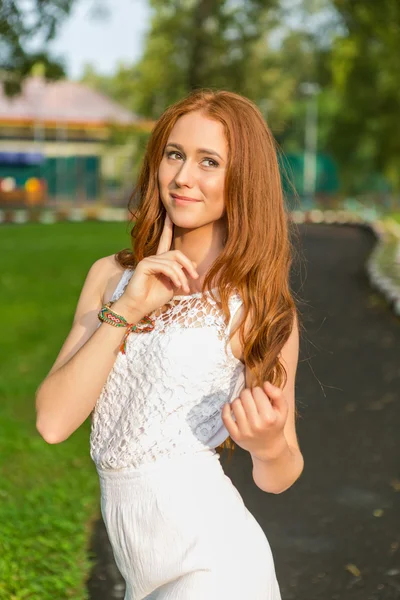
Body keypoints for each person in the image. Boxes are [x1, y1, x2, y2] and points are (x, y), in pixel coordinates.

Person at [35, 89, 304, 600]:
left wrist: (267, 444)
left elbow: (281, 474)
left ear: (243, 179)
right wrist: (129, 309)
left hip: (216, 565)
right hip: (141, 571)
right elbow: (52, 422)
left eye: (210, 162)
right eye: (175, 154)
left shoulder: (260, 308)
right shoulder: (110, 279)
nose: (183, 177)